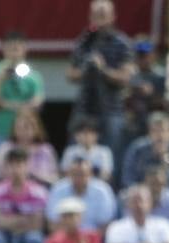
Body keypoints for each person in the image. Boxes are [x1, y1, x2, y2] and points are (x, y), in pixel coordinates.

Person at [68, 0, 135, 171]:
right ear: (90, 17)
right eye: (97, 16)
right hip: (85, 108)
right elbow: (70, 74)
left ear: (113, 17)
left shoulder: (122, 43)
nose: (100, 20)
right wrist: (86, 69)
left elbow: (125, 77)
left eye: (103, 15)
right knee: (76, 154)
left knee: (110, 159)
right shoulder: (84, 41)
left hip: (111, 110)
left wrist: (102, 69)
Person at [0, 31, 45, 156]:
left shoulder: (33, 75)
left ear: (24, 49)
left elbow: (37, 105)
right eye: (10, 49)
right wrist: (0, 80)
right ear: (3, 49)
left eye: (17, 48)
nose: (14, 53)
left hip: (26, 136)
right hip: (0, 131)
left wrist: (5, 105)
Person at [0, 108, 59, 186]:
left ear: (37, 128)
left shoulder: (46, 150)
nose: (23, 131)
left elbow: (55, 179)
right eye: (20, 127)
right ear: (14, 128)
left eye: (27, 127)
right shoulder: (5, 149)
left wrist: (35, 175)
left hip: (41, 194)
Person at [46, 151, 117, 231]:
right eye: (75, 174)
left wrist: (86, 241)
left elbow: (106, 224)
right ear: (68, 174)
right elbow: (52, 222)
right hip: (64, 238)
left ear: (90, 174)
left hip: (94, 238)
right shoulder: (58, 189)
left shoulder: (103, 190)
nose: (78, 178)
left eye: (82, 174)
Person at [120, 112, 169, 193]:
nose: (160, 135)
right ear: (149, 132)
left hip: (166, 194)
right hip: (140, 192)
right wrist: (141, 191)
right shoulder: (137, 149)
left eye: (163, 131)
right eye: (155, 131)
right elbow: (127, 178)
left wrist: (166, 165)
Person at [58, 116, 114, 184]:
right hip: (74, 186)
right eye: (81, 133)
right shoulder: (70, 151)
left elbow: (106, 175)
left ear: (96, 135)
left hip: (97, 185)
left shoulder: (104, 151)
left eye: (88, 133)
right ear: (76, 135)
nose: (85, 136)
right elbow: (64, 173)